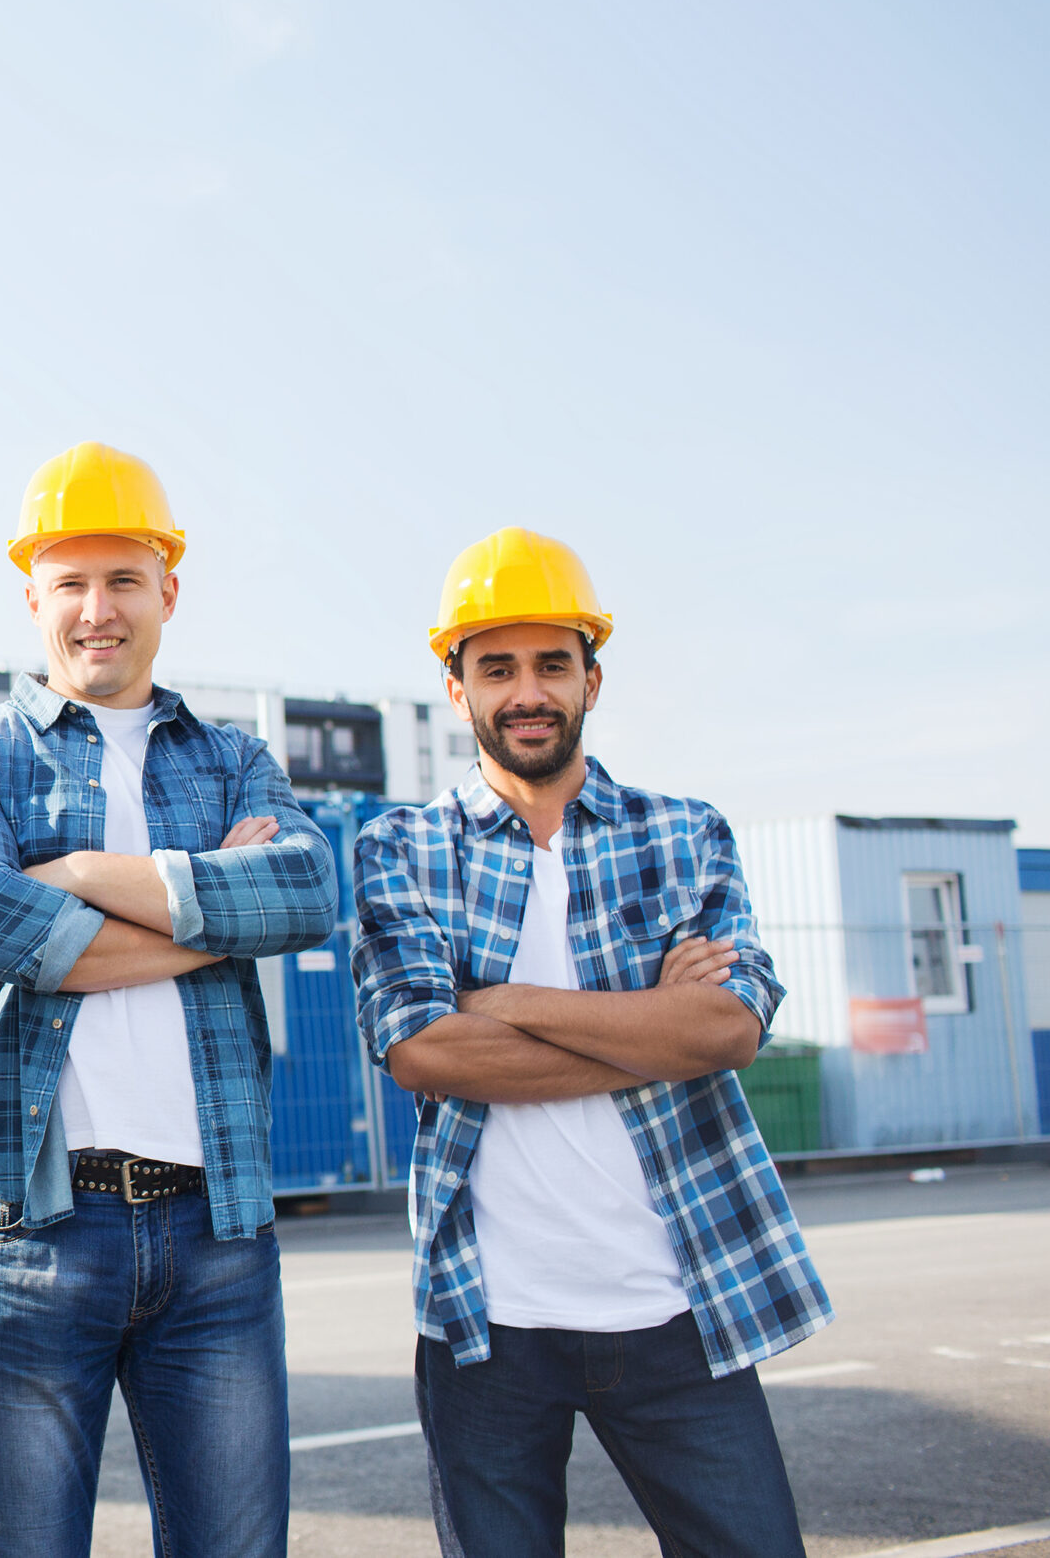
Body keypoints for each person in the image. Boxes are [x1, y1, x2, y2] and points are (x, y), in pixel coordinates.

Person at [353, 526, 831, 1558]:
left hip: (677, 1301)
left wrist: (503, 1000)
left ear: (591, 679)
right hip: (487, 1323)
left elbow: (727, 1027)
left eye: (550, 665)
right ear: (457, 688)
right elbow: (421, 1055)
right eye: (497, 668)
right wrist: (647, 1030)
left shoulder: (683, 832)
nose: (526, 691)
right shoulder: (400, 848)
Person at [0, 442, 337, 1558]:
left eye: (124, 582)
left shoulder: (234, 758)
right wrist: (213, 924)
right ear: (33, 599)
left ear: (168, 593)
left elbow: (303, 892)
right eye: (71, 585)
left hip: (217, 1231)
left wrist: (82, 877)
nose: (98, 611)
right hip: (32, 1232)